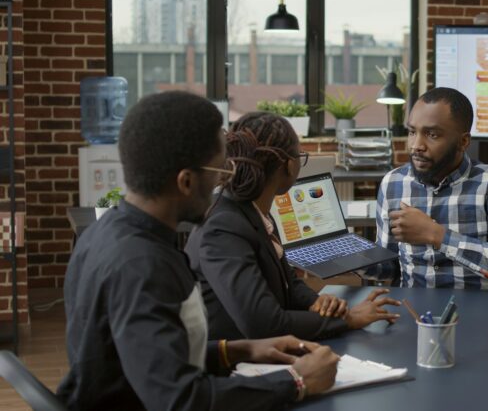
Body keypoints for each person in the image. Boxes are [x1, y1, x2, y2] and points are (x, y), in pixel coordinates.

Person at [57, 91, 340, 411]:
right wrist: (296, 381)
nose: (225, 185)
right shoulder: (142, 267)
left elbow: (150, 355)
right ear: (186, 182)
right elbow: (180, 400)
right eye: (221, 173)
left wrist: (236, 350)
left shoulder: (105, 233)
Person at [184, 111, 401, 342]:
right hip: (235, 363)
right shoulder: (223, 226)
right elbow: (263, 324)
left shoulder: (255, 211)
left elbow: (289, 281)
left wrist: (315, 302)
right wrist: (347, 319)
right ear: (288, 165)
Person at [366, 87, 488, 288]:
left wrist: (436, 235)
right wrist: (353, 260)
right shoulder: (393, 183)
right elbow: (388, 268)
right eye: (412, 132)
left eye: (432, 135)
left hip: (480, 308)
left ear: (463, 141)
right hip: (413, 310)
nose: (416, 145)